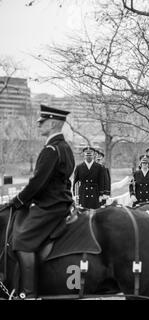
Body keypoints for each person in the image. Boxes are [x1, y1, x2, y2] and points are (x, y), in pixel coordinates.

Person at [8, 104, 74, 298]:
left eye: (42, 121)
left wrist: (18, 200)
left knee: (21, 240)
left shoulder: (51, 149)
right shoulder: (64, 147)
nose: (39, 125)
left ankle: (28, 294)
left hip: (50, 206)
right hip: (59, 202)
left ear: (53, 123)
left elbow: (38, 183)